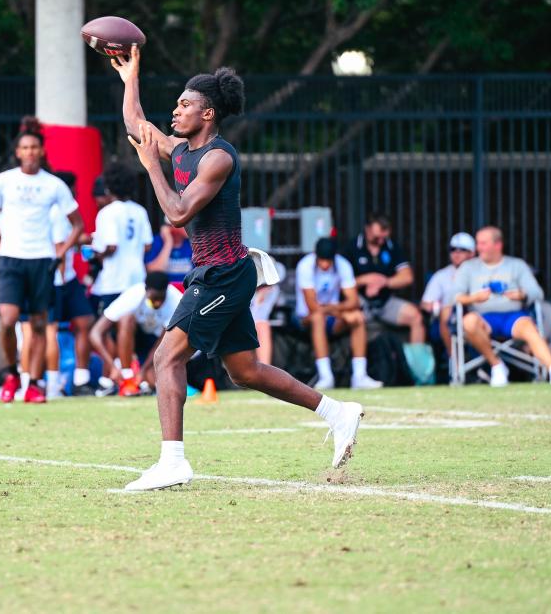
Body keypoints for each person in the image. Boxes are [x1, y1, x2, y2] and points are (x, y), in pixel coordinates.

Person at [113, 44, 365, 492]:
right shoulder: (182, 150)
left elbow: (176, 214)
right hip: (217, 272)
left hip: (222, 276)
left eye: (185, 104)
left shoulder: (218, 158)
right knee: (244, 371)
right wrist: (131, 76)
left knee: (165, 358)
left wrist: (152, 167)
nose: (175, 110)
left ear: (208, 114)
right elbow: (137, 125)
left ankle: (173, 461)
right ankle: (337, 412)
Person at [0, 118, 83, 404]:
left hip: (41, 261)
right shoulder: (4, 181)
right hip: (11, 260)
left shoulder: (54, 185)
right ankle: (12, 374)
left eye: (34, 148)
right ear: (17, 152)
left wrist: (62, 251)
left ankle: (35, 384)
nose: (29, 152)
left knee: (40, 325)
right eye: (24, 148)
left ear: (41, 152)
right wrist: (0, 245)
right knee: (8, 321)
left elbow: (77, 224)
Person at [453, 226, 551, 387]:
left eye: (483, 243)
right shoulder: (468, 267)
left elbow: (537, 293)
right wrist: (474, 298)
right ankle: (497, 366)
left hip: (512, 317)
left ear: (498, 245)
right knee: (468, 322)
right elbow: (455, 296)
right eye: (478, 243)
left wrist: (521, 294)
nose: (478, 248)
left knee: (528, 326)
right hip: (483, 319)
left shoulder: (517, 265)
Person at [18, 171, 95, 398]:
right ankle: (49, 385)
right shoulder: (57, 212)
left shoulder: (44, 211)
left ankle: (77, 379)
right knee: (44, 331)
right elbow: (59, 246)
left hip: (64, 278)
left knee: (83, 321)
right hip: (55, 279)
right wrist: (59, 280)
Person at [295, 238, 380, 390]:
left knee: (357, 317)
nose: (325, 265)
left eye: (328, 261)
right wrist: (338, 310)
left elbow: (354, 301)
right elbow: (312, 307)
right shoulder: (304, 266)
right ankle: (326, 376)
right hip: (305, 319)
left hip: (332, 318)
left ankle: (359, 376)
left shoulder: (343, 265)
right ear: (316, 256)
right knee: (318, 318)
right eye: (322, 260)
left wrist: (334, 310)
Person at [90, 272, 183, 396]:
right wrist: (112, 365)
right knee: (125, 319)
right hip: (130, 337)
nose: (157, 303)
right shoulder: (133, 295)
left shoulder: (176, 300)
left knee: (152, 380)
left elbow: (165, 341)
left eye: (161, 299)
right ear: (146, 290)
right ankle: (123, 376)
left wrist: (144, 370)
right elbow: (95, 333)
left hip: (154, 342)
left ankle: (141, 381)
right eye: (154, 299)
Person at [343, 215, 425, 343]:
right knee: (355, 317)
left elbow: (407, 277)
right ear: (367, 229)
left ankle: (416, 362)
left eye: (384, 237)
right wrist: (365, 280)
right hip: (360, 302)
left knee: (416, 317)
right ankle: (359, 361)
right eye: (377, 237)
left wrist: (384, 282)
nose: (381, 241)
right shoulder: (351, 248)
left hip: (385, 301)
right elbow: (339, 283)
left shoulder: (392, 247)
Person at [89, 161, 153, 315]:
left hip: (114, 281)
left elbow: (111, 246)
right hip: (137, 278)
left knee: (108, 327)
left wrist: (97, 254)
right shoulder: (140, 211)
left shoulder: (107, 212)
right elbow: (147, 246)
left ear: (108, 187)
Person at [419, 232, 476, 355]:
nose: (456, 253)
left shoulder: (482, 271)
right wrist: (435, 307)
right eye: (453, 249)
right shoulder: (441, 275)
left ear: (472, 253)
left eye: (462, 250)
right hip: (451, 319)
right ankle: (454, 363)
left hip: (478, 316)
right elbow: (425, 303)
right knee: (447, 311)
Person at [250, 262, 286, 366]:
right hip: (240, 325)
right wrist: (257, 300)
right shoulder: (244, 288)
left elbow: (260, 316)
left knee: (262, 326)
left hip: (258, 325)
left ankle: (264, 369)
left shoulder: (273, 290)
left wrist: (260, 300)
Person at [146, 219, 194, 287]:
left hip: (188, 290)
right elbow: (154, 272)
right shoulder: (156, 242)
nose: (190, 226)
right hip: (164, 291)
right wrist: (168, 242)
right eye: (186, 223)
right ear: (172, 226)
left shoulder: (192, 243)